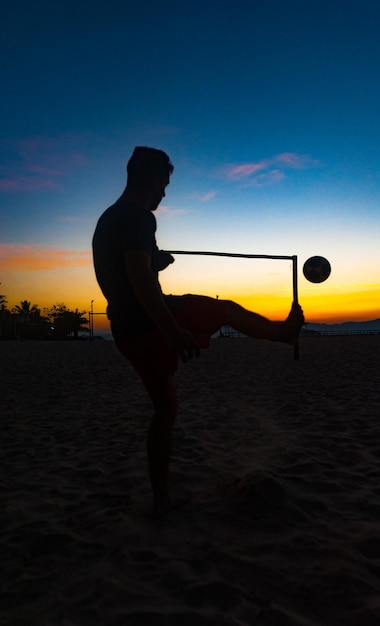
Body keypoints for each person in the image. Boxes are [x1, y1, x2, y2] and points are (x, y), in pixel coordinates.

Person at [92, 146, 304, 518]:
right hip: (150, 322)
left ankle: (162, 501)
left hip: (126, 332)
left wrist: (154, 262)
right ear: (155, 180)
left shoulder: (109, 218)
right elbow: (139, 281)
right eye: (165, 185)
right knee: (224, 310)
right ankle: (282, 334)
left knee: (165, 410)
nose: (165, 193)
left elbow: (126, 272)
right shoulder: (140, 217)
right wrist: (171, 328)